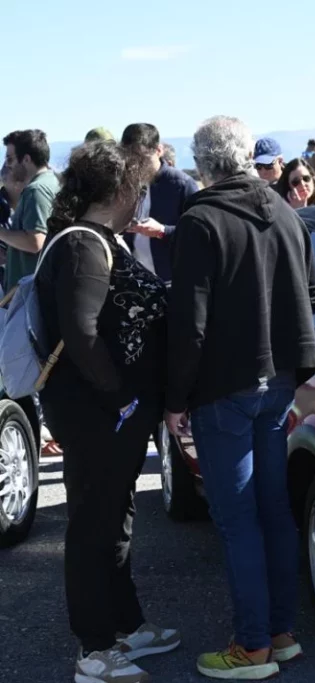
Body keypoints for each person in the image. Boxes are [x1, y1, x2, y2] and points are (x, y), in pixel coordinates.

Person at [166, 115, 315, 679]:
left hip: (224, 386)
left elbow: (190, 325)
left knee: (236, 521)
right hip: (280, 379)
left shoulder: (201, 219)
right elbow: (312, 293)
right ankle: (279, 634)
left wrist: (175, 397)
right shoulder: (285, 210)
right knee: (273, 510)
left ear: (202, 163)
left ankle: (252, 646)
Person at [35, 140, 178, 683]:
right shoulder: (82, 245)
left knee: (114, 517)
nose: (141, 196)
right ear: (120, 189)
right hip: (94, 410)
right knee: (93, 525)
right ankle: (94, 650)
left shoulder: (99, 239)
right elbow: (83, 331)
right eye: (138, 186)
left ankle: (125, 625)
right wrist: (121, 398)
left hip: (109, 411)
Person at [120, 123, 200, 283]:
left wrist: (162, 231)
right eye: (130, 159)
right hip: (134, 279)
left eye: (142, 158)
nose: (136, 165)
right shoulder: (125, 182)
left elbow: (198, 234)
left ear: (158, 150)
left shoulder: (182, 184)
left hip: (171, 281)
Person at [0, 130, 60, 293]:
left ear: (26, 159)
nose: (8, 165)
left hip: (28, 295)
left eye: (10, 159)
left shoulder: (36, 190)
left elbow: (35, 242)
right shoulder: (51, 182)